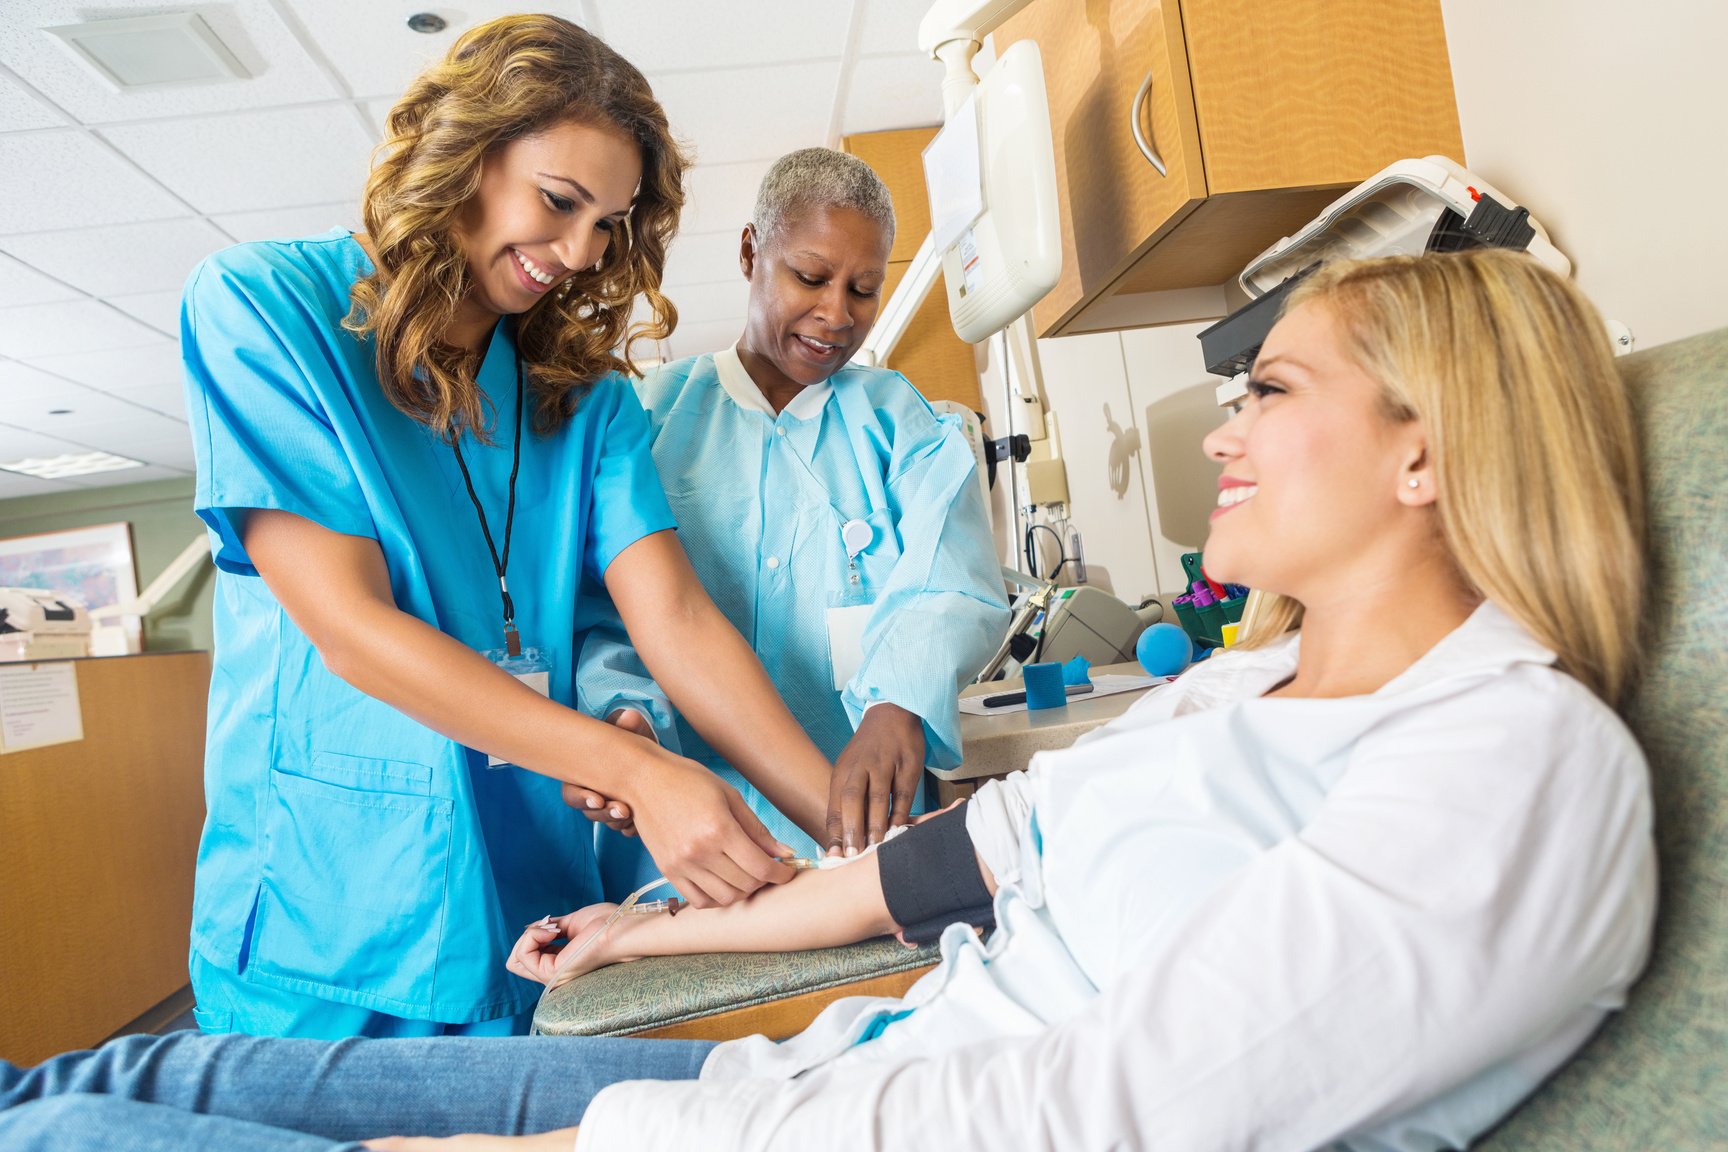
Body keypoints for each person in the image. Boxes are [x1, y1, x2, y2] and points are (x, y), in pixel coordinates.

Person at [1, 249, 1655, 1151]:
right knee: (120, 1080)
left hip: (829, 1113)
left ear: (1429, 444)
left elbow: (1100, 1113)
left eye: (1268, 389)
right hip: (826, 1071)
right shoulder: (1238, 688)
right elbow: (964, 856)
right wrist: (655, 928)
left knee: (78, 1139)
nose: (1218, 430)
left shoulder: (1510, 761)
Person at [174, 14, 844, 1041]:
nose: (580, 253)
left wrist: (858, 837)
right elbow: (351, 629)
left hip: (529, 884)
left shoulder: (582, 399)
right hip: (334, 903)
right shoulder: (264, 312)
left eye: (609, 223)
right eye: (560, 202)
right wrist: (633, 770)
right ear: (463, 157)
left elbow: (677, 621)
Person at [576, 147, 1006, 880]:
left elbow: (952, 583)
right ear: (751, 251)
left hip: (867, 840)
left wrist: (897, 701)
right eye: (810, 277)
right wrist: (629, 714)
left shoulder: (904, 428)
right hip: (687, 852)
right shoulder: (647, 423)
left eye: (863, 290)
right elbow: (603, 613)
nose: (836, 314)